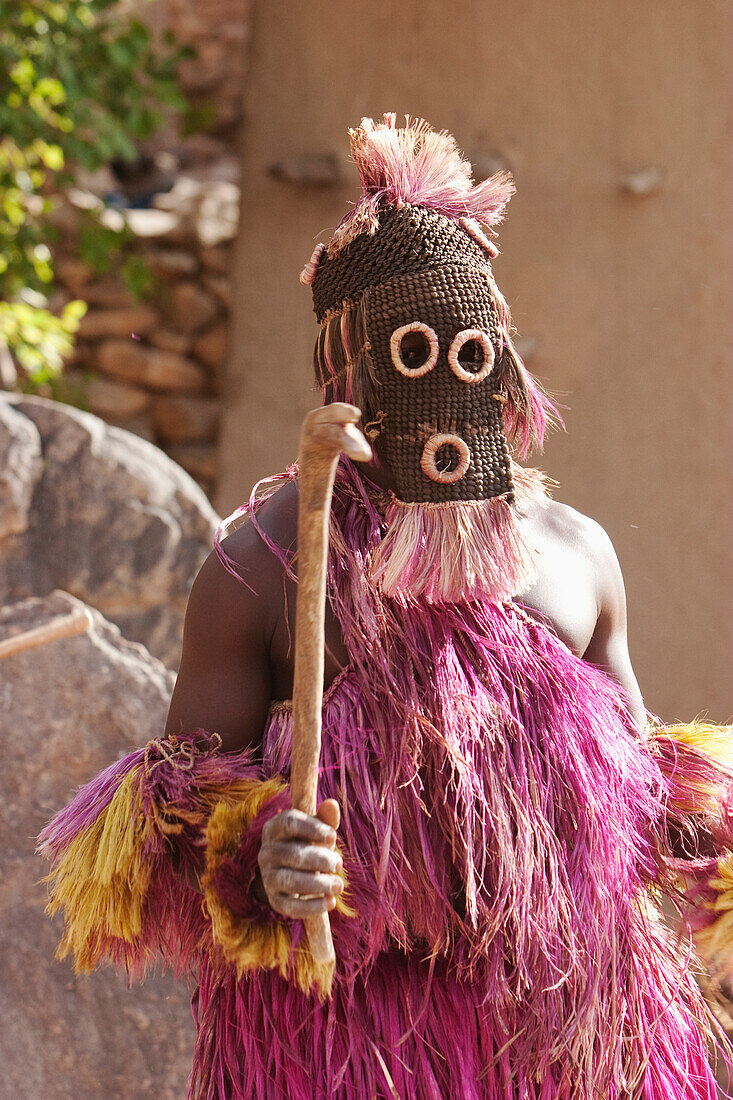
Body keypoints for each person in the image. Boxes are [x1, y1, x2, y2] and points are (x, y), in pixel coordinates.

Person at [40, 115, 733, 1099]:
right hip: (339, 1048)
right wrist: (260, 855)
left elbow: (643, 778)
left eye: (469, 348)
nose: (445, 377)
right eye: (412, 352)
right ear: (346, 371)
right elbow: (172, 820)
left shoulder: (577, 555)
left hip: (562, 1037)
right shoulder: (263, 568)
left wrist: (706, 826)